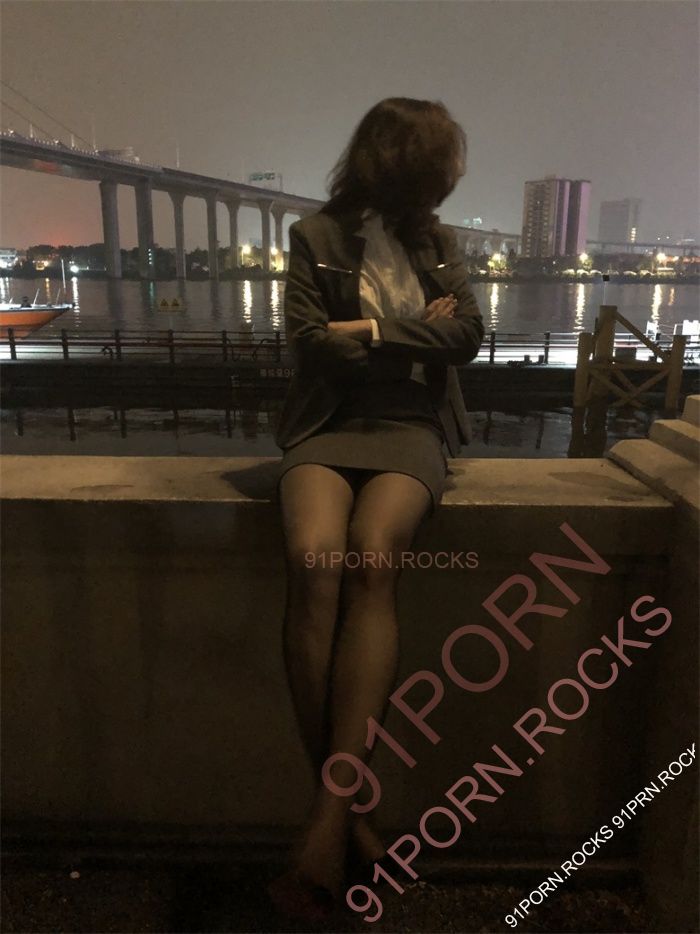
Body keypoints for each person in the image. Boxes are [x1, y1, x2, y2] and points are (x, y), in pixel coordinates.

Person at [269, 96, 484, 921]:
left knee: (372, 558)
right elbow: (306, 341)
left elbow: (467, 336)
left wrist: (366, 332)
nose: (443, 189)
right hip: (326, 423)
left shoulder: (442, 244)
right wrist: (407, 329)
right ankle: (351, 814)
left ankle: (325, 823)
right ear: (399, 167)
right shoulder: (315, 236)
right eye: (436, 171)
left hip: (410, 426)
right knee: (313, 561)